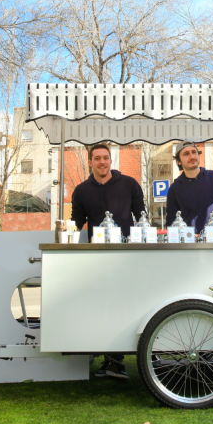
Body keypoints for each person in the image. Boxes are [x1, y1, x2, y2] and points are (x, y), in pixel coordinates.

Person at [70, 142, 144, 380]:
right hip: (96, 258)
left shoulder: (129, 184)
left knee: (124, 305)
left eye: (106, 158)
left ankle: (116, 361)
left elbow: (142, 217)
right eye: (97, 158)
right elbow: (76, 223)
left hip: (126, 257)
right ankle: (102, 355)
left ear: (111, 160)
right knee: (99, 304)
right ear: (90, 161)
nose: (102, 162)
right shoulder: (81, 191)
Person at [165, 141, 213, 231]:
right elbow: (171, 222)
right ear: (178, 161)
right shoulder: (174, 189)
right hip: (189, 242)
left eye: (194, 152)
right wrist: (190, 237)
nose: (192, 156)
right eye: (186, 154)